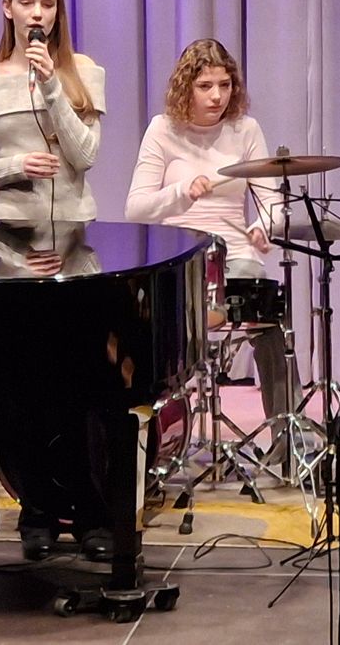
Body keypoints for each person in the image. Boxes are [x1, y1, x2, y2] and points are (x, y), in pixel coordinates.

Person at [0, 0, 110, 561]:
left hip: (74, 241)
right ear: (8, 8)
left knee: (80, 386)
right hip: (13, 243)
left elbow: (87, 154)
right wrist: (14, 165)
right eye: (27, 3)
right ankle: (37, 511)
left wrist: (52, 85)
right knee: (21, 390)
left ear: (57, 12)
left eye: (48, 4)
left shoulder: (83, 71)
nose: (38, 14)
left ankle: (92, 510)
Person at [125, 38, 298, 424]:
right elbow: (135, 208)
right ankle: (151, 434)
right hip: (178, 263)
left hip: (234, 258)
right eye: (205, 86)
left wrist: (263, 226)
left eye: (225, 85)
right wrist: (181, 192)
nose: (217, 96)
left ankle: (289, 436)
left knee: (271, 314)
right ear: (185, 87)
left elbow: (272, 204)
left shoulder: (245, 130)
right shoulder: (162, 130)